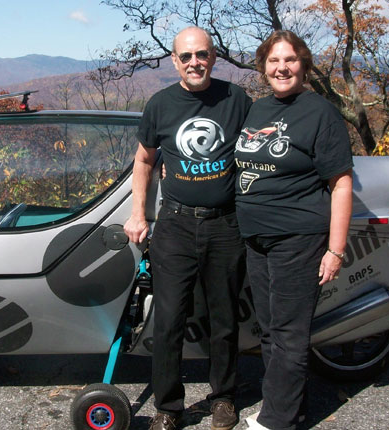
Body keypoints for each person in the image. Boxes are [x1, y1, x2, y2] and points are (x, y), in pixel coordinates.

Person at [123, 26, 252, 430]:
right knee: (168, 321)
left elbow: (259, 151)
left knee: (224, 320)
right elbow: (144, 161)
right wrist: (138, 214)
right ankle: (168, 407)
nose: (195, 62)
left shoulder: (236, 99)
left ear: (213, 56)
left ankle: (224, 398)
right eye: (186, 56)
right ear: (175, 60)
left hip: (226, 225)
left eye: (202, 54)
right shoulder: (160, 104)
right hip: (175, 225)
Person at [234, 30, 353, 430]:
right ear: (263, 66)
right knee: (270, 330)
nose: (281, 68)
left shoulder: (319, 113)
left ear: (303, 65)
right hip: (257, 239)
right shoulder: (258, 110)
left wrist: (335, 250)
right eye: (273, 61)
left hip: (298, 238)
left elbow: (341, 184)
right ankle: (288, 408)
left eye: (290, 60)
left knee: (288, 332)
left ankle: (277, 421)